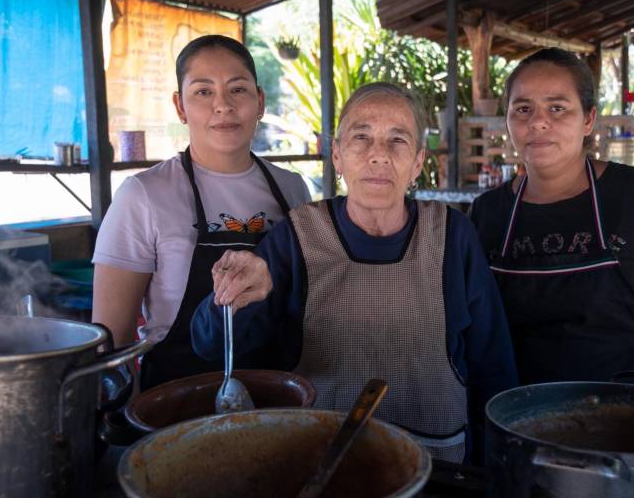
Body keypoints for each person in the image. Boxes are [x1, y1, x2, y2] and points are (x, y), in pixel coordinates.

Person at [190, 82, 518, 463]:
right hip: (320, 462)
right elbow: (209, 344)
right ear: (337, 155)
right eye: (361, 137)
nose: (378, 155)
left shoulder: (452, 236)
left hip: (435, 465)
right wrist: (235, 297)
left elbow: (492, 362)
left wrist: (496, 466)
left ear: (417, 163)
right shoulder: (298, 236)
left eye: (398, 140)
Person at [469, 48, 634, 395]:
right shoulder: (488, 212)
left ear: (588, 119)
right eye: (523, 109)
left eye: (557, 108)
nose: (538, 122)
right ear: (508, 120)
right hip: (518, 417)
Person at [92, 35, 311, 390]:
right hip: (177, 403)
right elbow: (110, 343)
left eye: (237, 89)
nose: (222, 105)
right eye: (203, 92)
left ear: (260, 101)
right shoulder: (144, 195)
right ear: (180, 107)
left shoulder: (292, 189)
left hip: (278, 395)